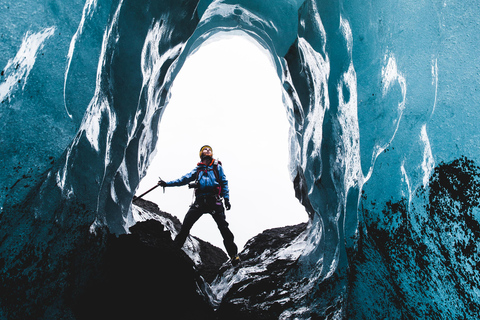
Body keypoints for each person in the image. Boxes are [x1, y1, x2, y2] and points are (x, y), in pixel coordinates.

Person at [158, 145, 240, 265]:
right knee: (186, 226)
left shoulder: (217, 167)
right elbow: (183, 179)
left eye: (209, 149)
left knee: (224, 228)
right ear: (201, 153)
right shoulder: (198, 170)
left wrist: (226, 199)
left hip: (214, 200)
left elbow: (224, 182)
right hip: (200, 201)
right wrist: (167, 184)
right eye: (205, 149)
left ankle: (233, 255)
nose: (207, 150)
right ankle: (174, 250)